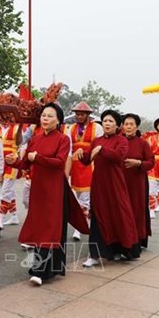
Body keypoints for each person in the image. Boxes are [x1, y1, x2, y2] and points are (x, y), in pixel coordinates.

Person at [5, 103, 88, 285]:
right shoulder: (35, 139)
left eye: (50, 116)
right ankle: (49, 268)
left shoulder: (63, 139)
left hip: (54, 188)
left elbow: (59, 162)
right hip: (38, 188)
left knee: (49, 227)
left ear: (58, 120)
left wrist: (38, 158)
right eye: (43, 115)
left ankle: (40, 271)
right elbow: (26, 164)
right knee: (38, 225)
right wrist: (13, 162)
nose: (45, 119)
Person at [81, 109, 141, 265]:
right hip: (99, 183)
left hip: (115, 183)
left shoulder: (121, 141)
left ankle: (117, 249)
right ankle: (94, 255)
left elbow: (118, 157)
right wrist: (82, 154)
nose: (107, 124)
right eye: (105, 121)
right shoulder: (96, 140)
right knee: (98, 215)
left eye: (110, 121)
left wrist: (102, 150)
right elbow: (88, 160)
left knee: (117, 214)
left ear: (117, 125)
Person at [66, 101, 103, 241]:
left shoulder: (97, 128)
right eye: (77, 114)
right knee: (76, 197)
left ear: (88, 115)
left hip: (90, 165)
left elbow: (99, 146)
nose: (79, 117)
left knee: (85, 199)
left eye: (81, 114)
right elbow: (69, 149)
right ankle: (83, 223)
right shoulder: (71, 128)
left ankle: (79, 228)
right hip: (76, 166)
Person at [122, 114, 155, 249]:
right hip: (120, 181)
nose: (129, 127)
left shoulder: (142, 143)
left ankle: (137, 239)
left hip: (137, 182)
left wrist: (139, 163)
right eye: (126, 124)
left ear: (136, 127)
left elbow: (151, 162)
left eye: (131, 124)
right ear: (122, 126)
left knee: (137, 209)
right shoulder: (118, 141)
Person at [0, 122, 22, 226]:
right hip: (0, 162)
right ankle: (14, 216)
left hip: (12, 162)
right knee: (8, 190)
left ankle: (1, 220)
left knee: (5, 191)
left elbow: (21, 143)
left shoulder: (16, 128)